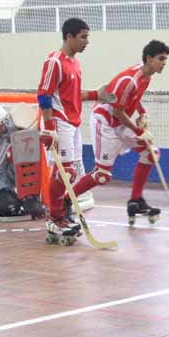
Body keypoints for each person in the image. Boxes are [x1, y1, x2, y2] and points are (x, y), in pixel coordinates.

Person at [65, 40, 169, 224]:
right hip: (105, 122)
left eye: (165, 59)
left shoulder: (146, 76)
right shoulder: (129, 80)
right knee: (102, 175)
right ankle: (65, 200)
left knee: (151, 152)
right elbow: (117, 111)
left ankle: (135, 201)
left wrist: (142, 113)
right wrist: (138, 130)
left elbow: (133, 99)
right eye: (161, 59)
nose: (164, 63)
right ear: (149, 58)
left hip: (120, 123)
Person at [36, 17, 115, 244]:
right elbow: (43, 95)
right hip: (58, 123)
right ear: (69, 37)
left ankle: (62, 213)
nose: (86, 42)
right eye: (83, 37)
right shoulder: (54, 62)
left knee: (71, 172)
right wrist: (50, 129)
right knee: (65, 172)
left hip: (73, 123)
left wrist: (94, 95)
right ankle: (55, 217)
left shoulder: (75, 64)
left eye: (87, 37)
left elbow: (71, 95)